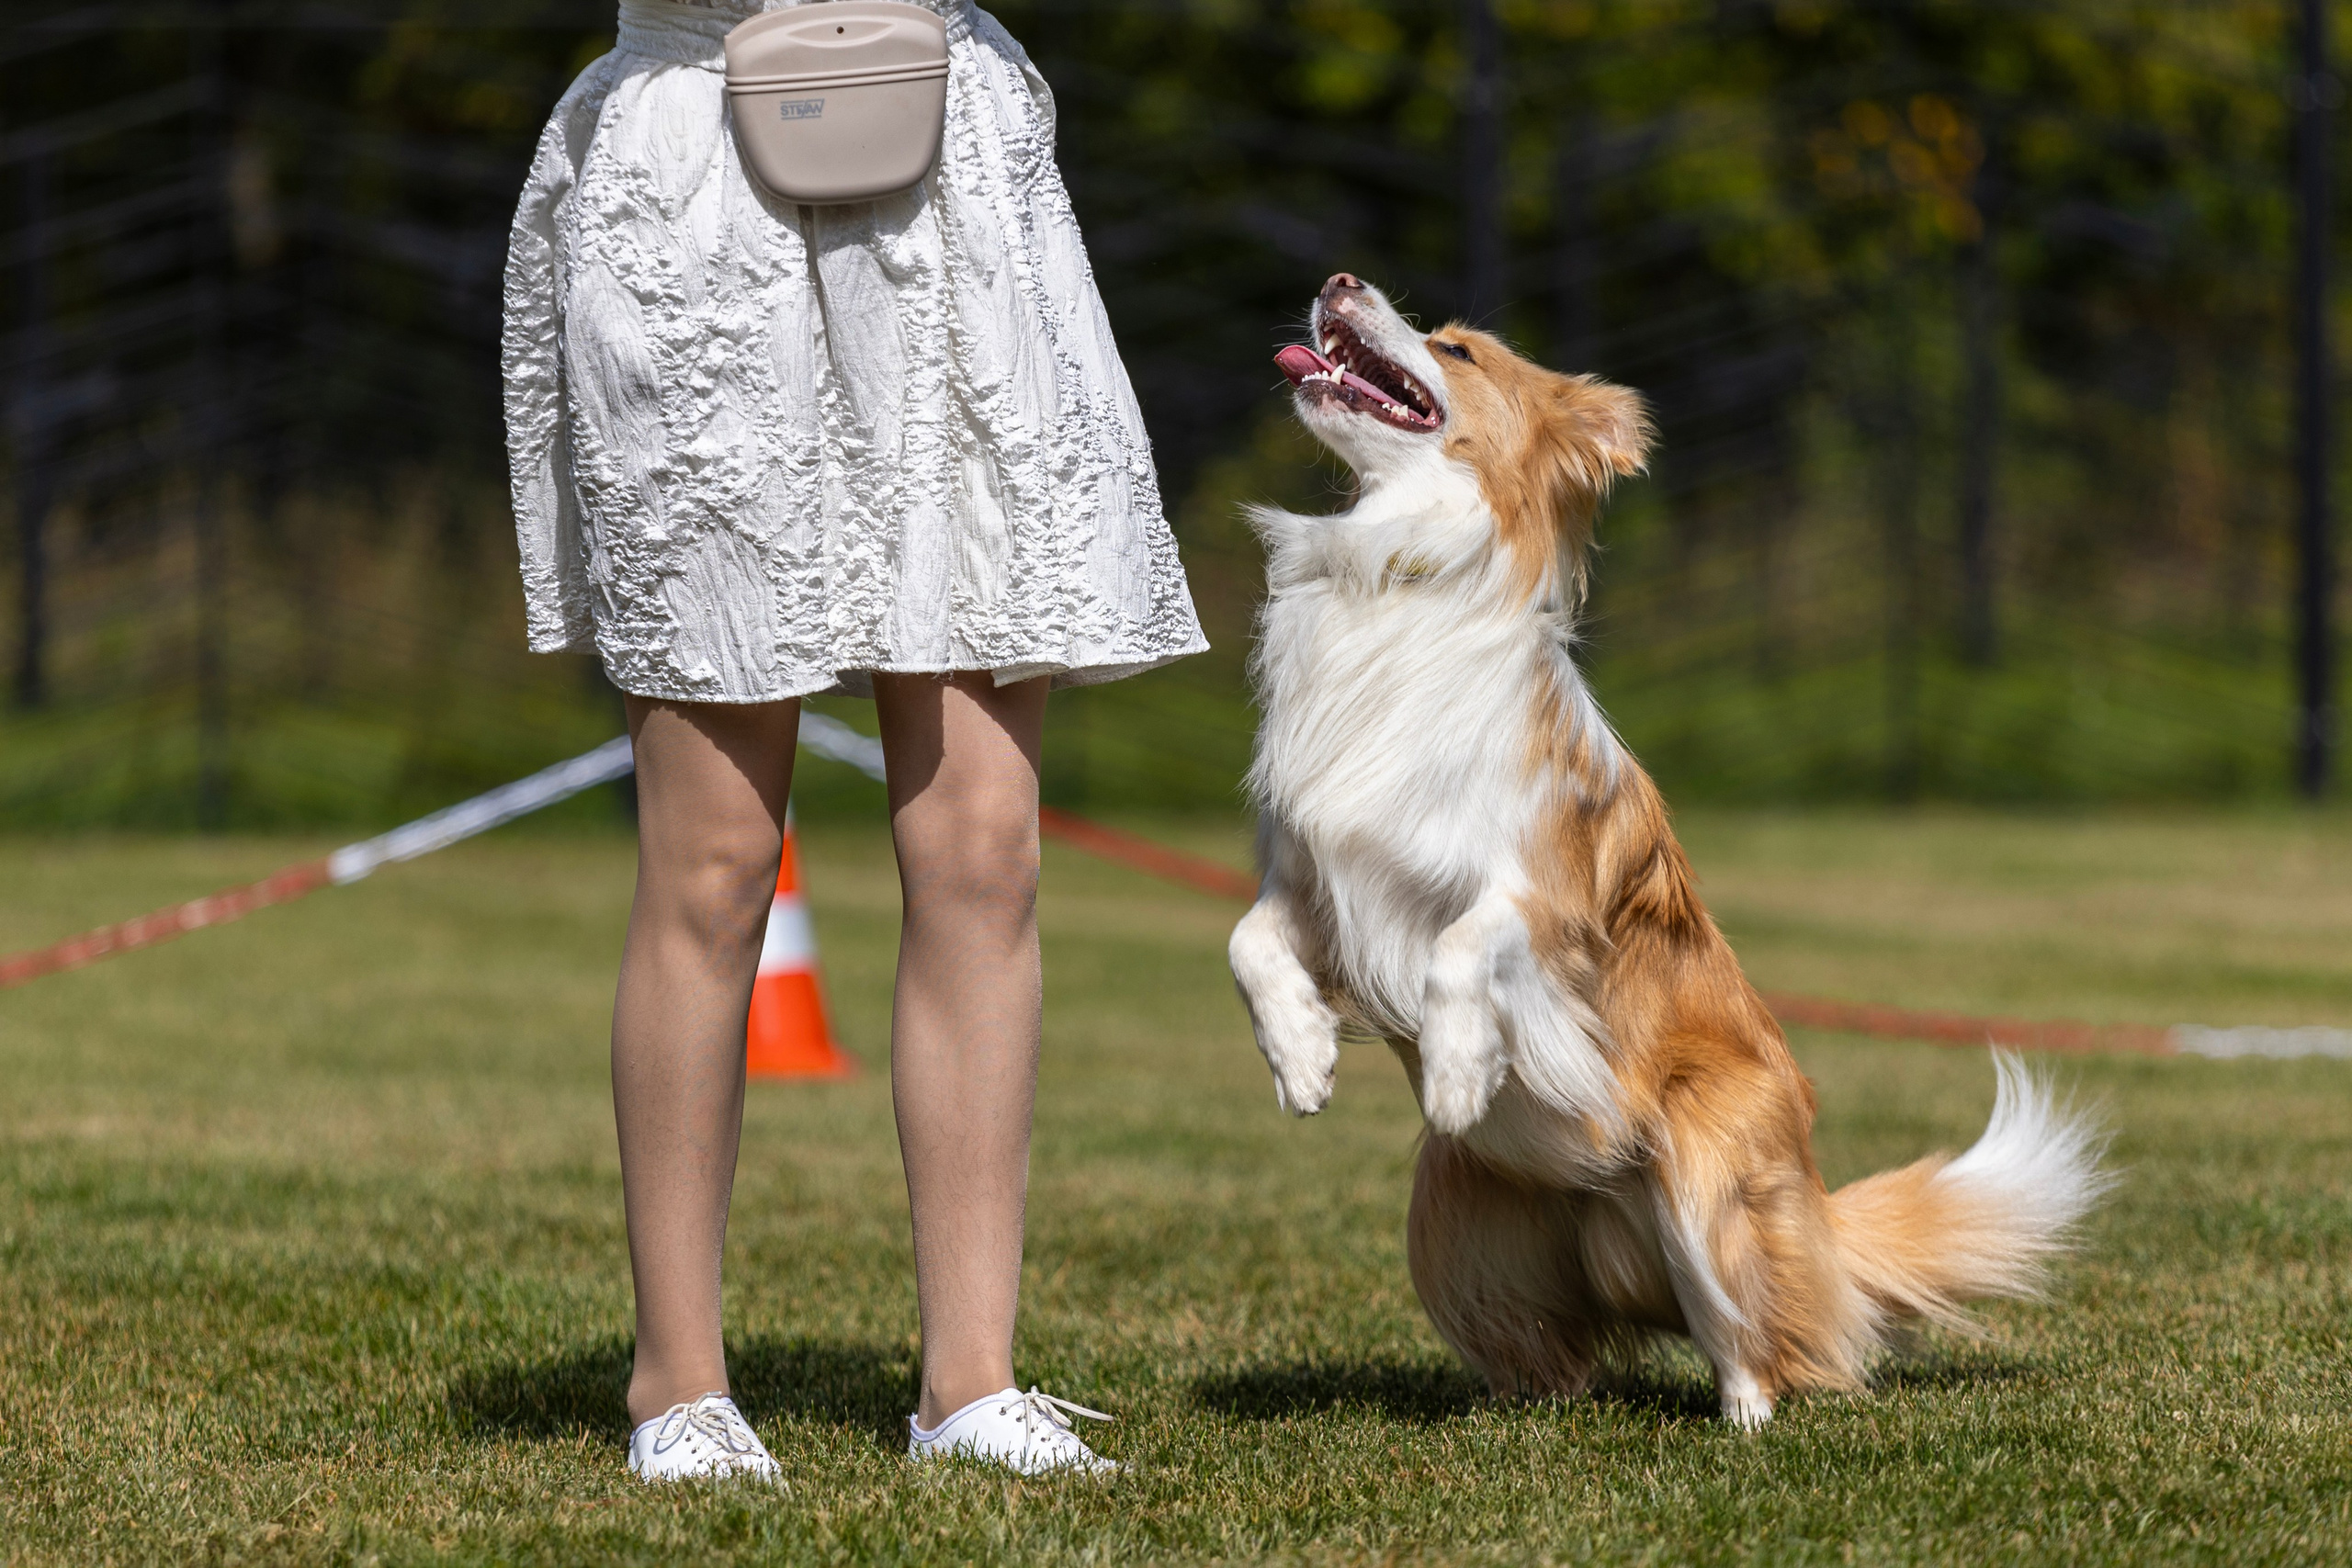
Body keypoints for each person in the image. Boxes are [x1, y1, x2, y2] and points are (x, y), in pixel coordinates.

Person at [501, 0, 1204, 1481]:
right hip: (698, 175)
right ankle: (676, 1386)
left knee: (983, 846)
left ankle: (969, 1387)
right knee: (713, 856)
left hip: (953, 172)